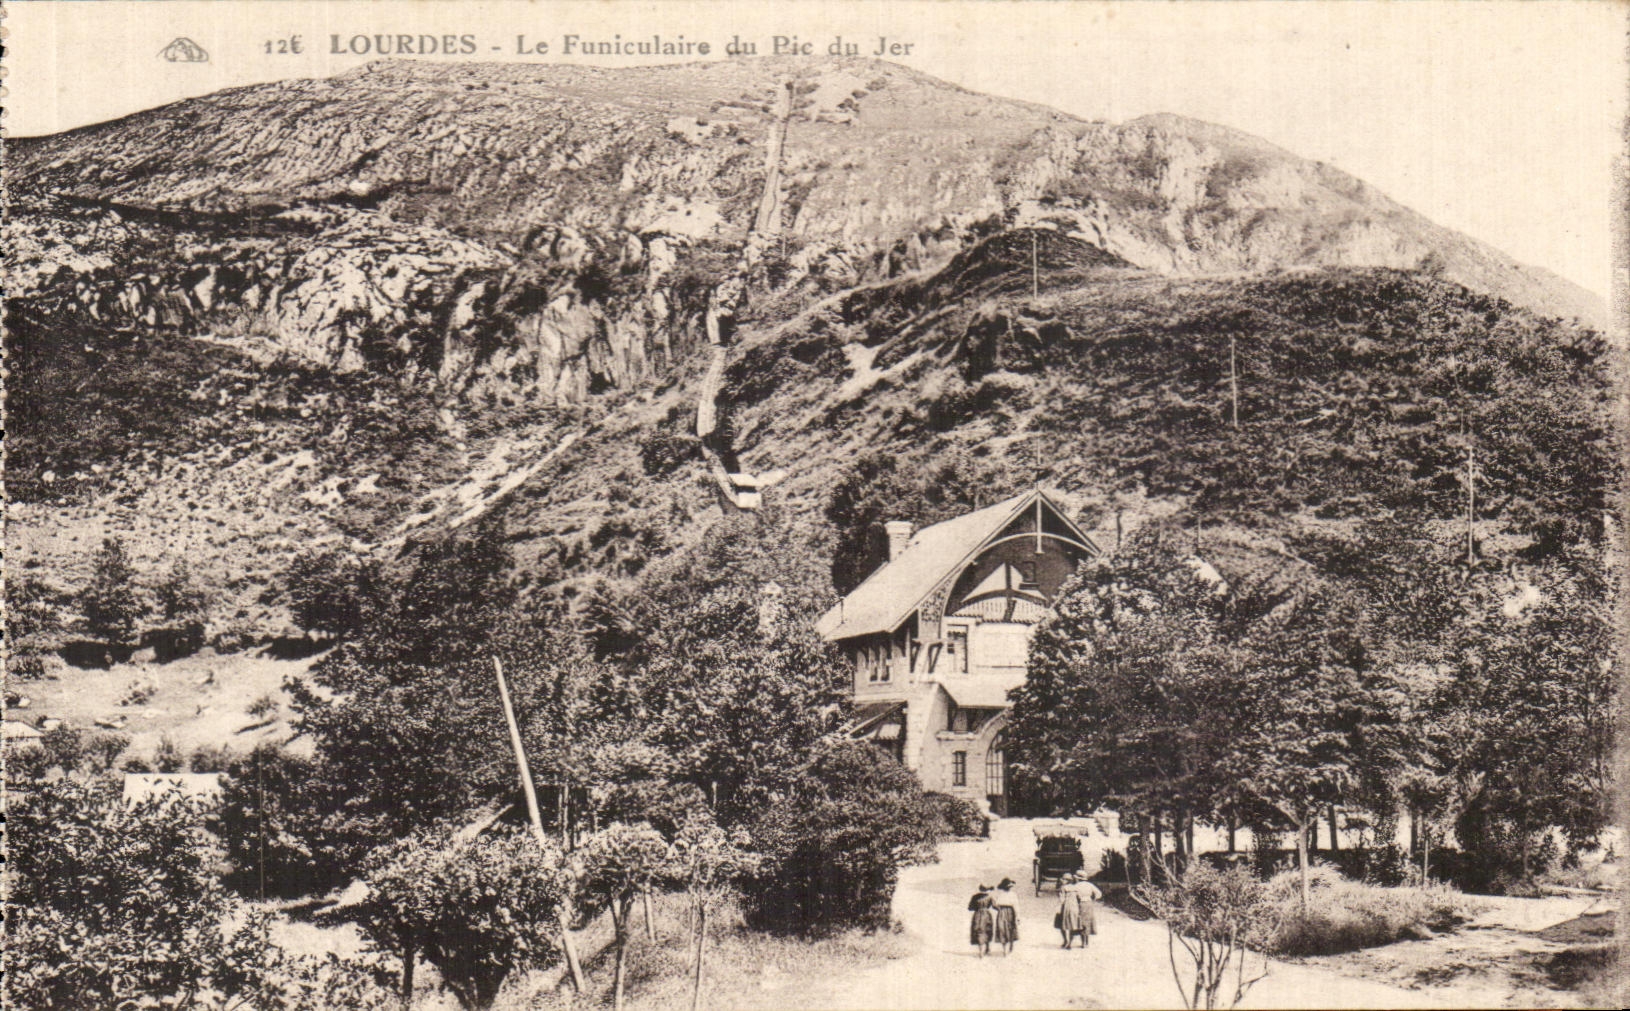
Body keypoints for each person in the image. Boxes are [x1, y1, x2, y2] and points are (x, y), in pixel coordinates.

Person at [1056, 872, 1102, 949]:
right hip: (1088, 904)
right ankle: (1085, 943)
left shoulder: (1076, 886)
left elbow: (1074, 897)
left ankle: (1072, 942)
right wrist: (1092, 899)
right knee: (1087, 923)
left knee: (1079, 923)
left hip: (1079, 905)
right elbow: (1099, 894)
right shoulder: (1090, 885)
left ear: (1078, 878)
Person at [991, 877, 1019, 955]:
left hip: (1009, 912)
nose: (1008, 888)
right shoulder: (1000, 895)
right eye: (1007, 887)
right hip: (1003, 913)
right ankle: (1004, 949)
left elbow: (1016, 905)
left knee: (1010, 929)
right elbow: (995, 904)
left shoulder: (1013, 895)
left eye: (1009, 887)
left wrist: (1017, 917)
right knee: (1002, 929)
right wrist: (997, 907)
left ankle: (1010, 945)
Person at [967, 884, 995, 957]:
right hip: (987, 915)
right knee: (987, 930)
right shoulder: (990, 897)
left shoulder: (975, 897)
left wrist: (977, 908)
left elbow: (970, 908)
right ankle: (987, 949)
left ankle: (981, 952)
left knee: (979, 931)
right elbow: (994, 906)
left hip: (977, 915)